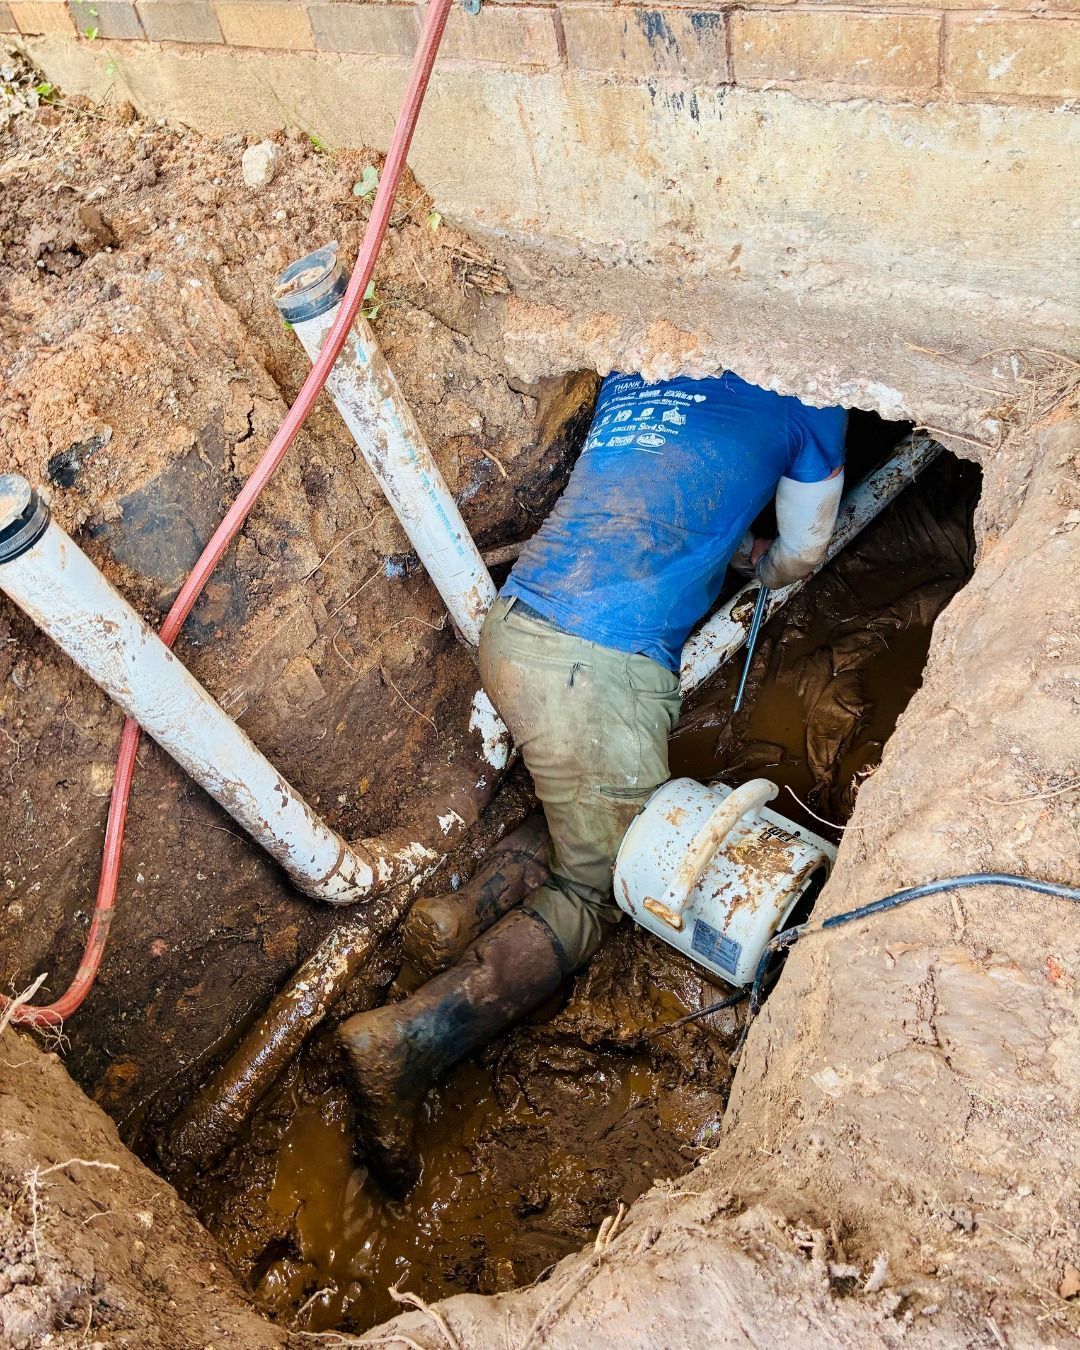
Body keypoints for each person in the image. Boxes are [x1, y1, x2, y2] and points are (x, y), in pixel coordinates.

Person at [337, 370, 848, 1191]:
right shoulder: (811, 397)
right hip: (595, 667)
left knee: (594, 796)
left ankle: (457, 913)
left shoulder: (639, 363)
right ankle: (410, 1042)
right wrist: (755, 557)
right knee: (602, 884)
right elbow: (802, 552)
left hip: (515, 627)